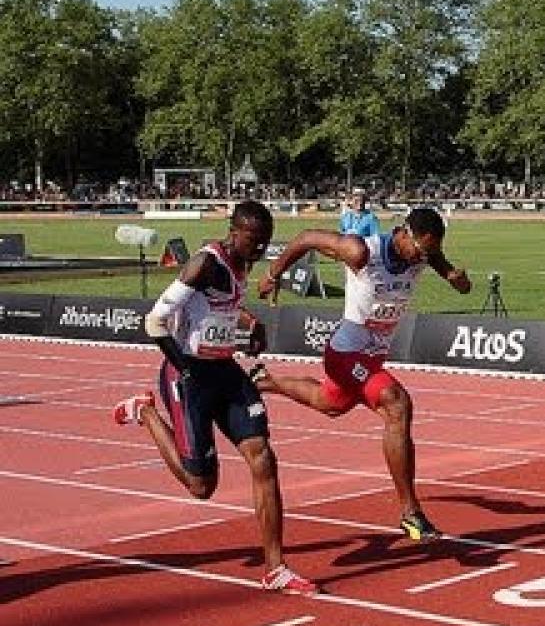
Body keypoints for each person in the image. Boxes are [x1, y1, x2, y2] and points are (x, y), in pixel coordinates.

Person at [110, 201, 317, 595]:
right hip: (188, 375)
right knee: (201, 487)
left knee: (263, 456)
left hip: (225, 370)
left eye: (265, 245)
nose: (259, 251)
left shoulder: (242, 262)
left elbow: (223, 307)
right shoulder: (205, 264)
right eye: (254, 242)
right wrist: (184, 368)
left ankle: (277, 568)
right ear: (234, 231)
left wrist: (251, 323)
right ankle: (147, 413)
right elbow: (155, 320)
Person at [253, 207, 470, 541]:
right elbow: (307, 238)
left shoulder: (425, 252)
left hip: (372, 356)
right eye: (422, 250)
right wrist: (273, 273)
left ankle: (265, 380)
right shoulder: (361, 251)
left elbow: (451, 274)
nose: (424, 257)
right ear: (405, 234)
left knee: (330, 403)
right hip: (346, 352)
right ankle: (411, 513)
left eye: (430, 252)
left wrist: (458, 280)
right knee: (397, 405)